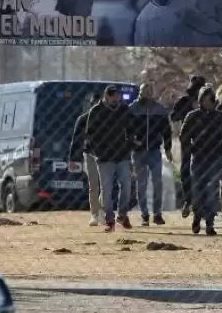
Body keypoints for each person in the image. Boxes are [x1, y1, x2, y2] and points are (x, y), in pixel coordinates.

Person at [85, 85, 135, 232]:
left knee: (126, 185)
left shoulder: (124, 110)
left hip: (122, 155)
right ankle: (109, 220)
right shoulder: (96, 111)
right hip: (104, 157)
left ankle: (122, 215)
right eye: (114, 96)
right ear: (107, 96)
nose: (117, 99)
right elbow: (90, 134)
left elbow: (132, 130)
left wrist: (129, 145)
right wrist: (99, 152)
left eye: (118, 96)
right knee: (106, 190)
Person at [180, 86, 222, 236]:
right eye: (204, 100)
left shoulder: (220, 117)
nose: (208, 103)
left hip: (215, 158)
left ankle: (210, 223)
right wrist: (192, 149)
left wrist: (221, 150)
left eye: (210, 100)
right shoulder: (192, 116)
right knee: (198, 190)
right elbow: (184, 136)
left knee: (211, 191)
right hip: (198, 158)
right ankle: (197, 216)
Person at [129, 83, 173, 227]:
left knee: (157, 182)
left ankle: (157, 213)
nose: (146, 94)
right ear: (139, 92)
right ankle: (144, 214)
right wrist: (132, 142)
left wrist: (168, 148)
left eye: (149, 91)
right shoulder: (133, 109)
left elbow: (166, 131)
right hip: (138, 152)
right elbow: (126, 130)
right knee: (141, 185)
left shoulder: (159, 110)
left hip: (154, 151)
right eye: (144, 91)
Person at [171, 75, 206, 218]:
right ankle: (188, 201)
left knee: (203, 174)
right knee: (186, 172)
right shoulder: (184, 101)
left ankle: (201, 204)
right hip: (188, 141)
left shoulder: (208, 101)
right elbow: (174, 117)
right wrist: (188, 107)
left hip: (206, 142)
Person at [69, 93, 102, 225]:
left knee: (106, 185)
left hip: (106, 155)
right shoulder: (83, 119)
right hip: (89, 154)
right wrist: (72, 158)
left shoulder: (108, 119)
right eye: (95, 104)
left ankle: (103, 212)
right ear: (91, 104)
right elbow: (76, 139)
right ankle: (95, 215)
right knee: (93, 184)